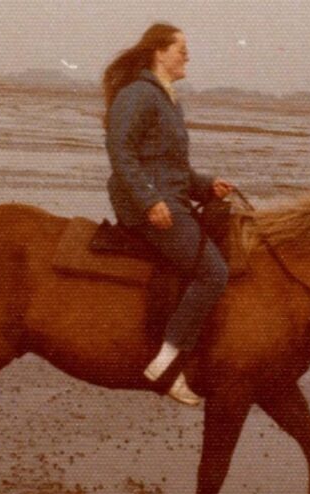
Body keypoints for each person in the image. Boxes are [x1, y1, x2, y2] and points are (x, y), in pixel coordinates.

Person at [103, 23, 234, 406]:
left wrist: (207, 186)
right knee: (213, 272)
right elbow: (120, 151)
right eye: (181, 49)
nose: (187, 56)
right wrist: (148, 201)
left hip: (167, 199)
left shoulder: (169, 100)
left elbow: (172, 168)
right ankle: (166, 363)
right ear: (159, 53)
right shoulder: (138, 94)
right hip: (146, 207)